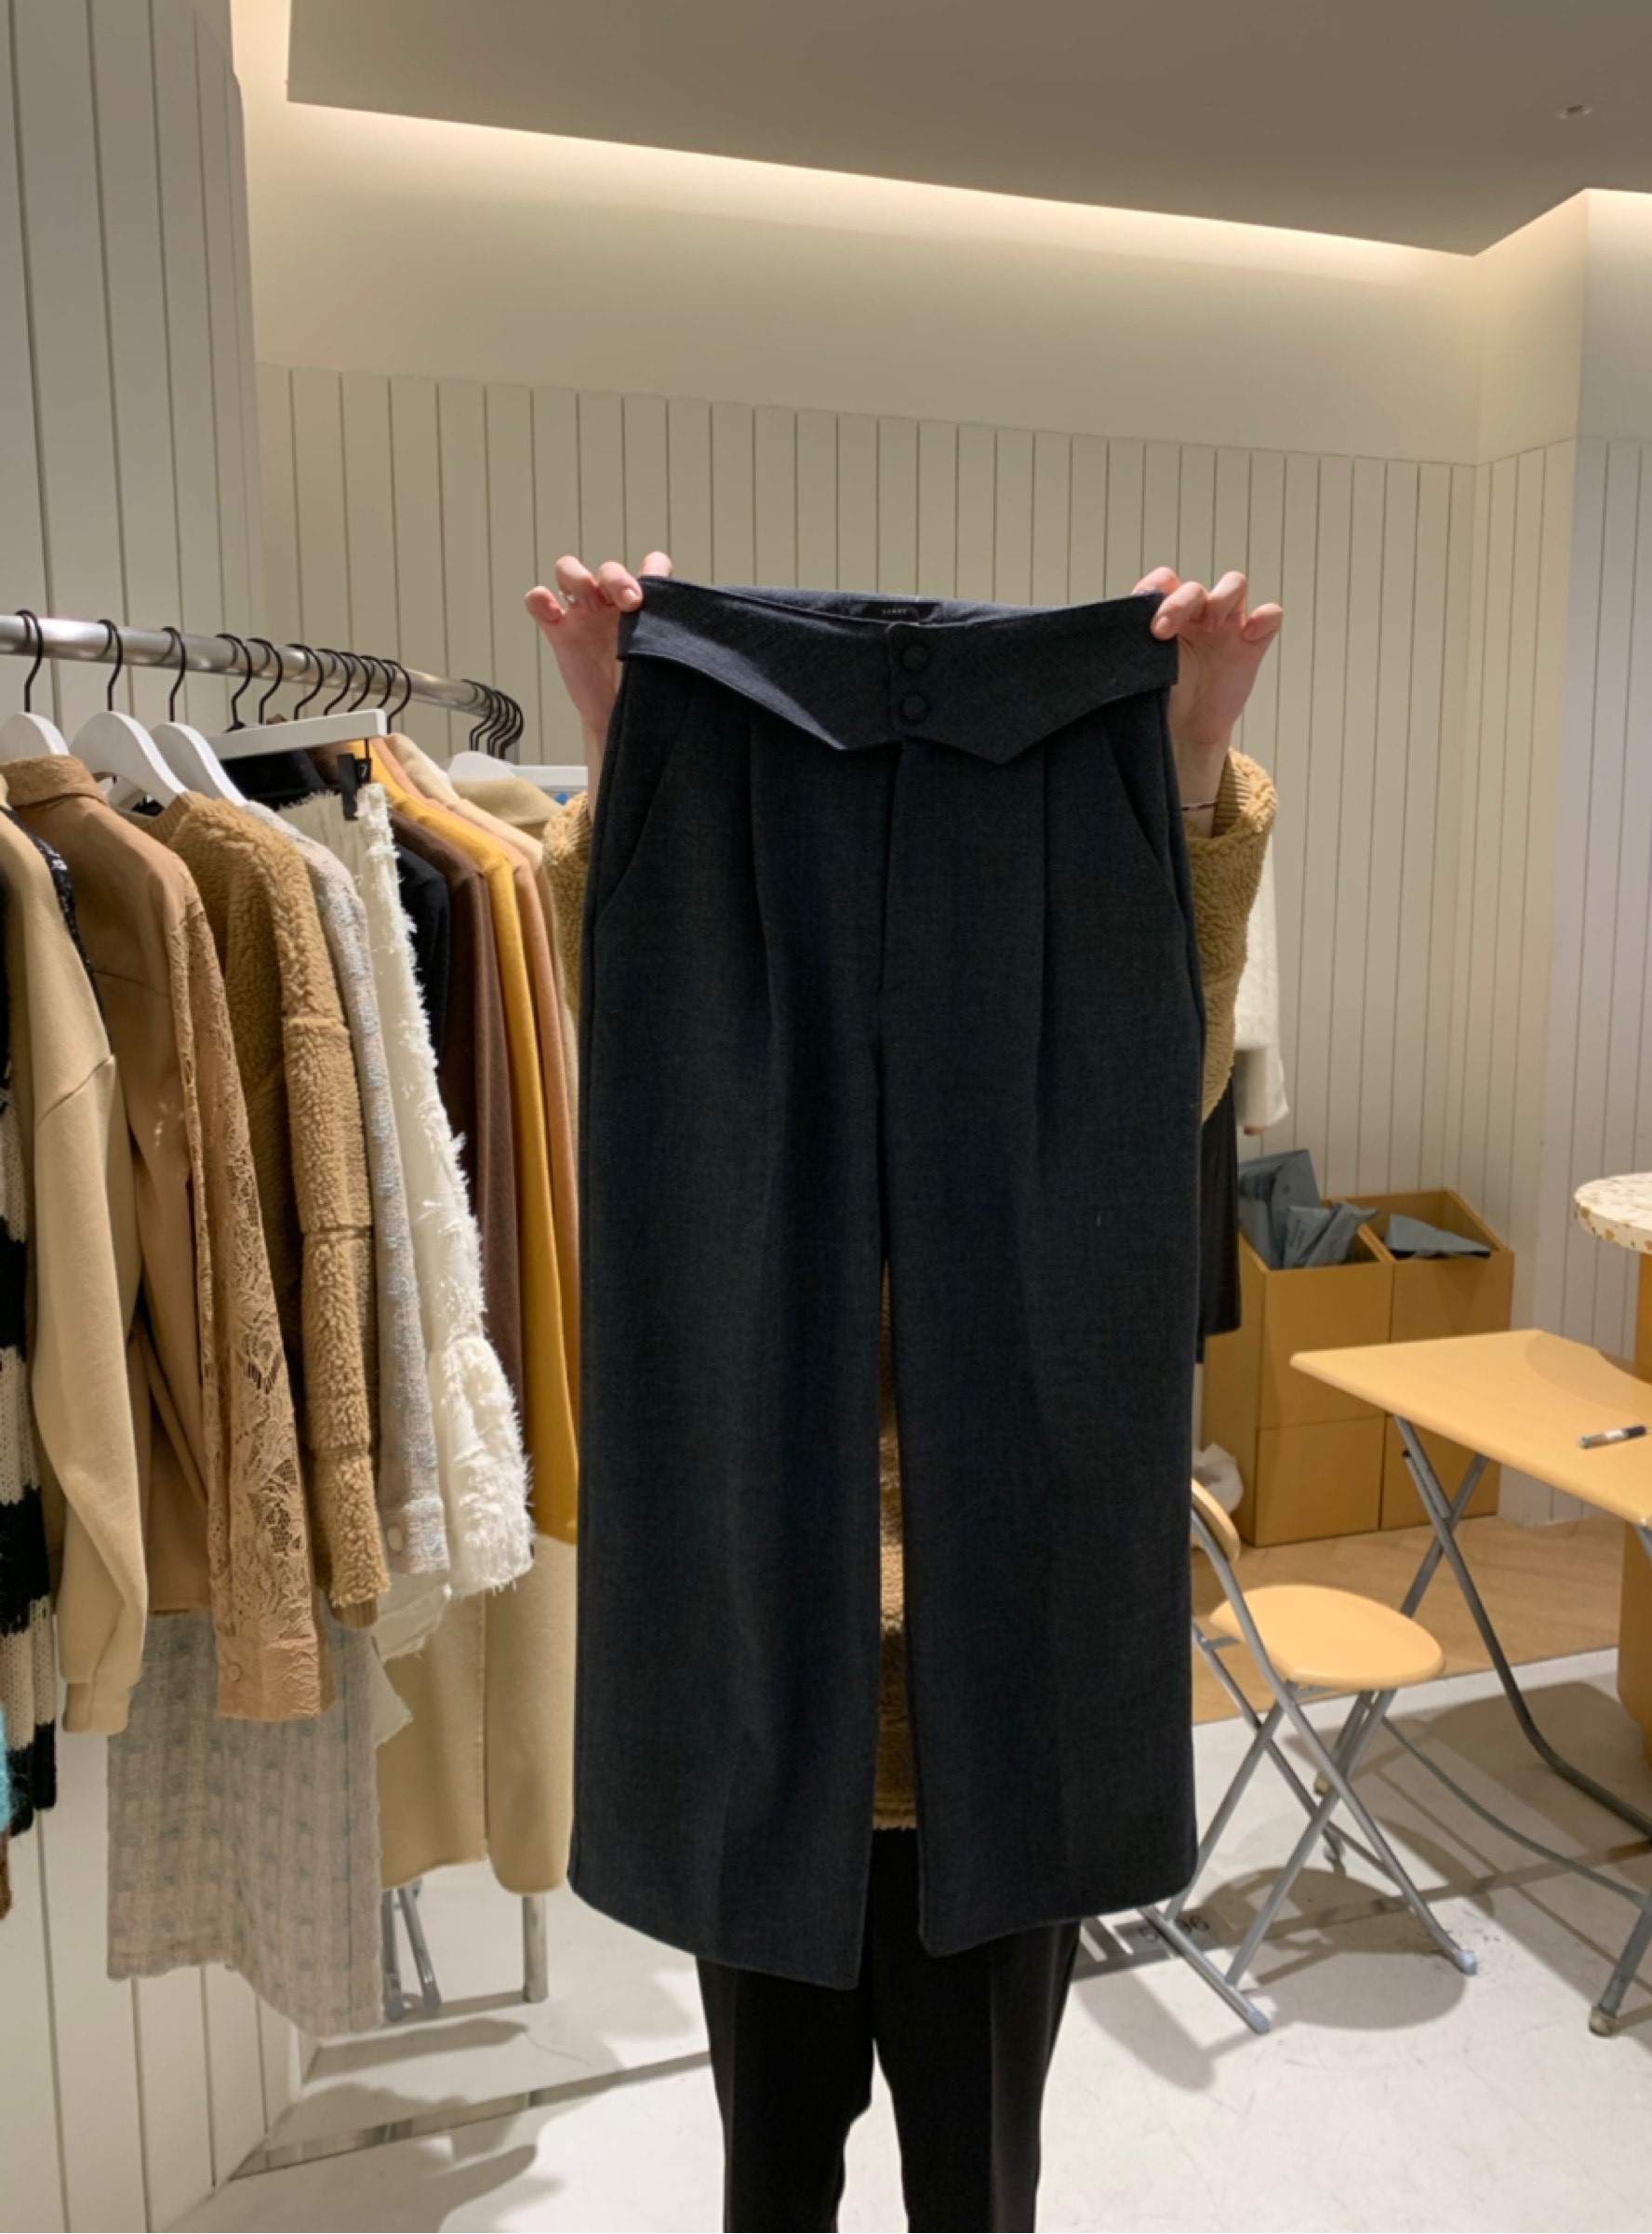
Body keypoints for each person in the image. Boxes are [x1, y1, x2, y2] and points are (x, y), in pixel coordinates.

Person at [527, 554, 1280, 2234]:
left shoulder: (1063, 1066)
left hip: (998, 1741)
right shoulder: (731, 1098)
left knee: (978, 2195)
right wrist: (634, 742)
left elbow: (1167, 1072)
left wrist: (1185, 760)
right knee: (772, 2187)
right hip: (766, 1704)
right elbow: (639, 1029)